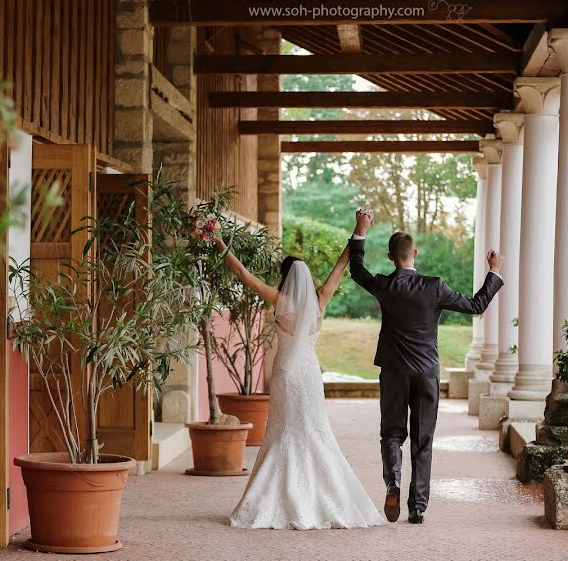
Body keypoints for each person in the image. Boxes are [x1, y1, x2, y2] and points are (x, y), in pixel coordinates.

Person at [214, 234, 385, 530]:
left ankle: (278, 497)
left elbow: (243, 273)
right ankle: (326, 497)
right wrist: (358, 233)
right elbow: (342, 264)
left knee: (282, 431)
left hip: (285, 374)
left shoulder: (279, 300)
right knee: (315, 431)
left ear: (285, 278)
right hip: (308, 373)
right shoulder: (320, 299)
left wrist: (217, 240)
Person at [349, 209, 504, 525]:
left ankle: (393, 483)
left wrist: (360, 230)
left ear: (391, 256)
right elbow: (475, 305)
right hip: (426, 375)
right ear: (414, 253)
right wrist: (494, 272)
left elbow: (357, 270)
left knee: (392, 434)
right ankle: (417, 508)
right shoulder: (435, 286)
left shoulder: (384, 285)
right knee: (423, 440)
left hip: (393, 372)